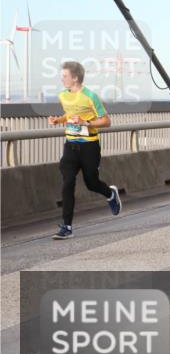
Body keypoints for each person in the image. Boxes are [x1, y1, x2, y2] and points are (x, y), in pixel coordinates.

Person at [47, 60, 122, 239]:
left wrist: (85, 122)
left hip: (89, 146)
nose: (61, 79)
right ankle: (67, 227)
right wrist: (58, 120)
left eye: (64, 76)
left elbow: (106, 121)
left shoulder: (90, 96)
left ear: (75, 78)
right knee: (68, 182)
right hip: (70, 146)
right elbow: (70, 114)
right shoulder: (63, 96)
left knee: (91, 183)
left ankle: (110, 194)